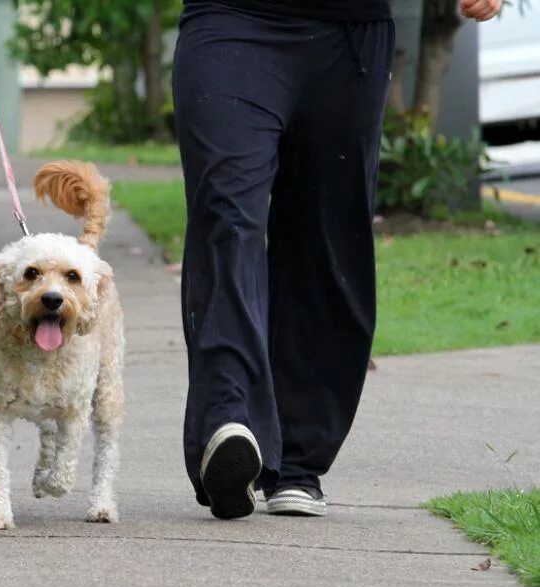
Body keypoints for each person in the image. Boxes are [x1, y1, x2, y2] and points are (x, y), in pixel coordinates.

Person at [172, 0, 502, 519]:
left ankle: (298, 460)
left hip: (350, 33)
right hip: (231, 18)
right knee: (226, 215)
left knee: (326, 238)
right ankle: (227, 421)